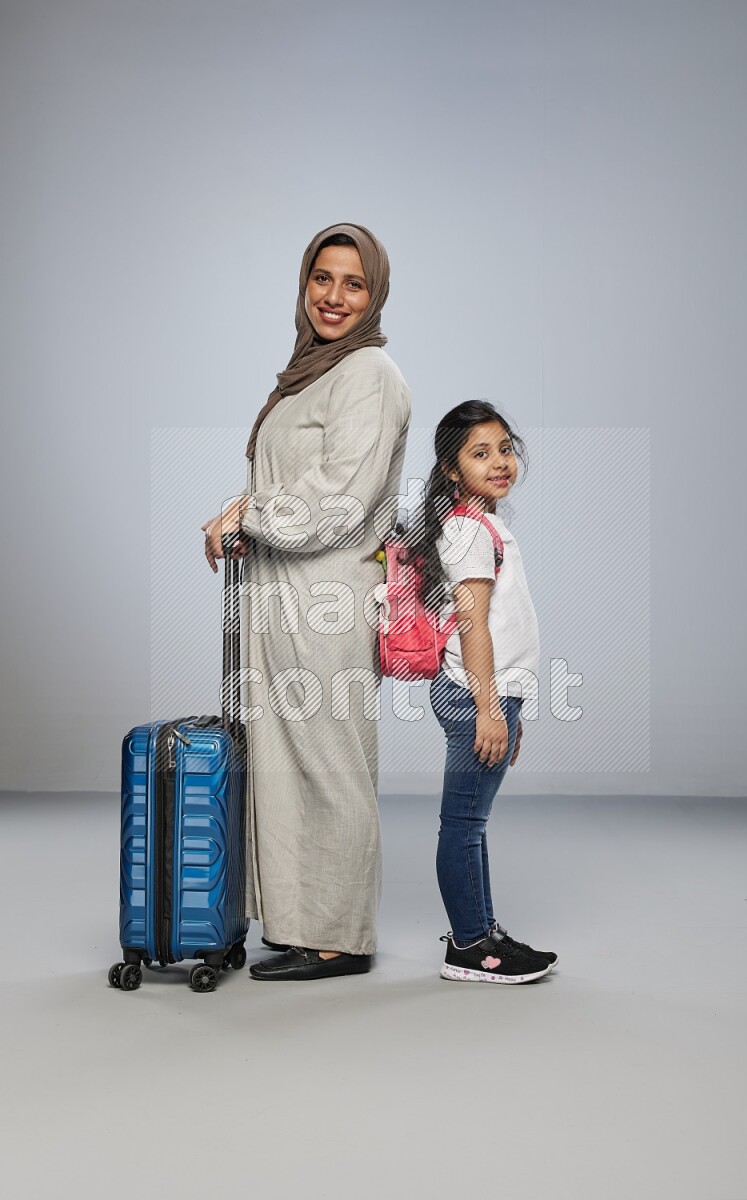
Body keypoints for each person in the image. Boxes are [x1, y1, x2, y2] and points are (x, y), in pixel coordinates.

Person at [201, 223, 411, 981]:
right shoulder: (310, 370)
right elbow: (293, 482)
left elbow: (343, 501)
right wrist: (242, 509)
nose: (334, 296)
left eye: (353, 284)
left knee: (330, 765)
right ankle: (300, 922)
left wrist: (250, 516)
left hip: (324, 596)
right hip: (278, 593)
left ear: (375, 293)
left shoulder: (369, 373)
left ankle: (340, 939)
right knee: (284, 763)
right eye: (322, 278)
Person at [416, 400, 558, 983]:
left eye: (504, 449)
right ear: (452, 468)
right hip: (477, 693)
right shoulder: (469, 531)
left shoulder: (484, 524)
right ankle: (470, 948)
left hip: (492, 694)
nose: (499, 462)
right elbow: (472, 624)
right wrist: (489, 709)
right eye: (480, 454)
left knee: (471, 821)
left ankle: (482, 934)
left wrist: (507, 710)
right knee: (463, 822)